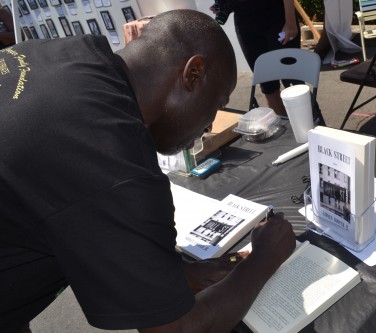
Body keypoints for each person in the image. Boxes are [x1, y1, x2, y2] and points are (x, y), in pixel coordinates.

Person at [0, 9, 296, 333]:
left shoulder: (66, 54)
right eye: (217, 103)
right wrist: (264, 258)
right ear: (193, 74)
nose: (211, 124)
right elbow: (178, 329)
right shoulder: (112, 164)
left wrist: (176, 272)